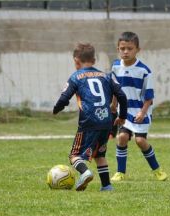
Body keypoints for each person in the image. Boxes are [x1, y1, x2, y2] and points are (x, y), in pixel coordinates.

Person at [53, 43, 127, 191]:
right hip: (107, 121)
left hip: (88, 121)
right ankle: (106, 186)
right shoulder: (106, 76)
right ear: (94, 60)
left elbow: (64, 98)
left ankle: (85, 172)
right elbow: (122, 95)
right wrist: (122, 116)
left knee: (74, 155)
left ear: (76, 61)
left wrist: (56, 109)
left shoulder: (76, 77)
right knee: (100, 154)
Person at [110, 31, 168, 182]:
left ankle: (157, 170)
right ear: (118, 49)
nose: (126, 52)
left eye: (130, 48)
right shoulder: (115, 67)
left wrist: (142, 113)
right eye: (122, 48)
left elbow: (149, 97)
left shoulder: (144, 71)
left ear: (137, 50)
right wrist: (113, 105)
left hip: (141, 111)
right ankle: (120, 172)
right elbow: (115, 89)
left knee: (140, 141)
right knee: (122, 137)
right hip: (125, 111)